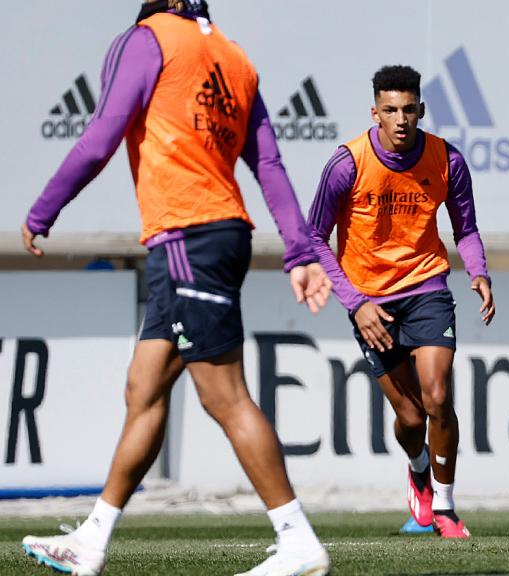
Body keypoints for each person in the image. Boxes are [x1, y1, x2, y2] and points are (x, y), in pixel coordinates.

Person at [20, 2, 332, 575]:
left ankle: (297, 541)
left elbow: (100, 137)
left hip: (189, 238)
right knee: (143, 388)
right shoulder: (234, 56)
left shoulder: (146, 38)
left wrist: (43, 210)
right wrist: (299, 251)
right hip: (209, 237)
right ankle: (94, 537)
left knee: (224, 395)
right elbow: (269, 163)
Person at [307, 65, 495, 539]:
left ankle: (447, 507)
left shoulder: (445, 159)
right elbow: (314, 238)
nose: (401, 119)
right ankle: (417, 472)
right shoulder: (346, 163)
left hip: (428, 287)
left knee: (438, 396)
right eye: (390, 110)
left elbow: (465, 228)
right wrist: (354, 302)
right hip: (370, 300)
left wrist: (479, 272)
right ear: (375, 112)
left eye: (409, 110)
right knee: (410, 417)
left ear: (421, 111)